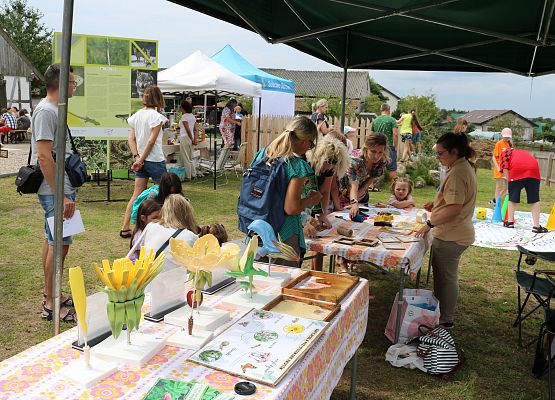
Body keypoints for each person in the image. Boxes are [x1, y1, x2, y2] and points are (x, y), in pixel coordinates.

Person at [31, 63, 78, 322]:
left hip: (57, 189)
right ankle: (51, 303)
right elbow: (43, 156)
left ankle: (50, 292)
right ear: (60, 84)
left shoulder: (51, 110)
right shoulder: (47, 112)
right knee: (59, 244)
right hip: (55, 191)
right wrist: (62, 195)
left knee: (54, 242)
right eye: (71, 82)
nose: (74, 86)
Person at [416, 132, 477, 329]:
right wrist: (437, 204)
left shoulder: (458, 172)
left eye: (441, 154)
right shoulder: (460, 167)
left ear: (454, 152)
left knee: (446, 278)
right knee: (443, 276)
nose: (438, 157)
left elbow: (454, 208)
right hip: (453, 232)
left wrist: (430, 224)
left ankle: (446, 320)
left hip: (452, 235)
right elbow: (453, 202)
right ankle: (441, 314)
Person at [259, 115, 322, 266]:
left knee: (259, 281)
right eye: (311, 144)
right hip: (284, 234)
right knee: (282, 282)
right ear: (303, 140)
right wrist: (310, 200)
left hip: (258, 226)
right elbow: (291, 208)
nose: (310, 148)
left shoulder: (262, 154)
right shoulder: (296, 165)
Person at [120, 85, 168, 238]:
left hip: (141, 161)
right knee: (166, 194)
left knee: (136, 195)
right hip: (154, 160)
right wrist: (140, 159)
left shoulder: (136, 116)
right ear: (159, 98)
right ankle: (166, 225)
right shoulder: (157, 117)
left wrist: (137, 158)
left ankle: (125, 227)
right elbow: (151, 141)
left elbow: (131, 138)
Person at [304, 135, 349, 270]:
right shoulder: (305, 165)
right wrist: (306, 220)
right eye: (328, 162)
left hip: (310, 201)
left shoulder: (329, 169)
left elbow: (324, 192)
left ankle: (316, 271)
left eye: (334, 163)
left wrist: (322, 214)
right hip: (298, 204)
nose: (329, 166)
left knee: (319, 236)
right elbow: (296, 199)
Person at [143, 194, 199, 272]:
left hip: (148, 280)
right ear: (187, 214)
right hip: (173, 281)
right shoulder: (189, 236)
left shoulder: (151, 226)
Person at [339, 133, 389, 218]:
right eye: (373, 151)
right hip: (342, 193)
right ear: (366, 149)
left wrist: (362, 190)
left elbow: (372, 177)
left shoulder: (382, 161)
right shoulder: (355, 161)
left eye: (380, 152)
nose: (376, 156)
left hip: (360, 194)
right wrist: (354, 202)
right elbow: (353, 185)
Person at [500, 147, 548, 233]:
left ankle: (510, 222)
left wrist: (509, 184)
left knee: (512, 197)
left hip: (518, 169)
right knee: (534, 199)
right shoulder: (522, 152)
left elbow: (505, 168)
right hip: (534, 171)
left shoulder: (505, 152)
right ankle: (536, 226)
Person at [371, 103, 398, 181]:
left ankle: (370, 186)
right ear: (389, 110)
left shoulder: (375, 120)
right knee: (392, 168)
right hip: (388, 146)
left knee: (374, 166)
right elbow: (395, 134)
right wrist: (395, 146)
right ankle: (394, 186)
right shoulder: (391, 120)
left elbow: (372, 135)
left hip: (377, 147)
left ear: (381, 110)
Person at [491, 127, 513, 205]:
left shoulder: (509, 144)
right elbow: (494, 157)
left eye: (508, 137)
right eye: (505, 136)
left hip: (506, 169)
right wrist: (498, 168)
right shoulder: (499, 143)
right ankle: (497, 204)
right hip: (500, 168)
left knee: (508, 188)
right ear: (502, 135)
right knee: (499, 187)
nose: (506, 138)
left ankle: (495, 200)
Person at [178, 100, 197, 180]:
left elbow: (187, 129)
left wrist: (191, 138)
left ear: (183, 108)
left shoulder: (184, 117)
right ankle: (193, 174)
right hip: (190, 137)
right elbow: (195, 129)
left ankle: (188, 176)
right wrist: (194, 139)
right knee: (190, 157)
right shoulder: (192, 116)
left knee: (185, 157)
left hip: (185, 137)